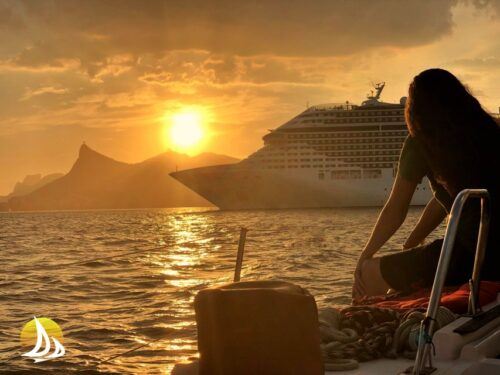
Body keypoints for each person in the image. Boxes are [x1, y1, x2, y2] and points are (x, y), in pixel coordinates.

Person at [352, 69, 500, 302]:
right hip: (489, 253)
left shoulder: (421, 141)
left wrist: (364, 256)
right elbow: (449, 200)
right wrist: (413, 240)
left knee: (369, 273)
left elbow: (396, 209)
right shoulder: (489, 130)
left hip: (472, 256)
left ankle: (371, 327)